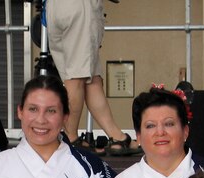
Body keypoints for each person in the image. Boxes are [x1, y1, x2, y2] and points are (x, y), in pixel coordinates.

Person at [44, 0, 141, 156]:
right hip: (79, 7)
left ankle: (117, 137)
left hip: (54, 7)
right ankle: (71, 138)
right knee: (76, 78)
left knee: (90, 79)